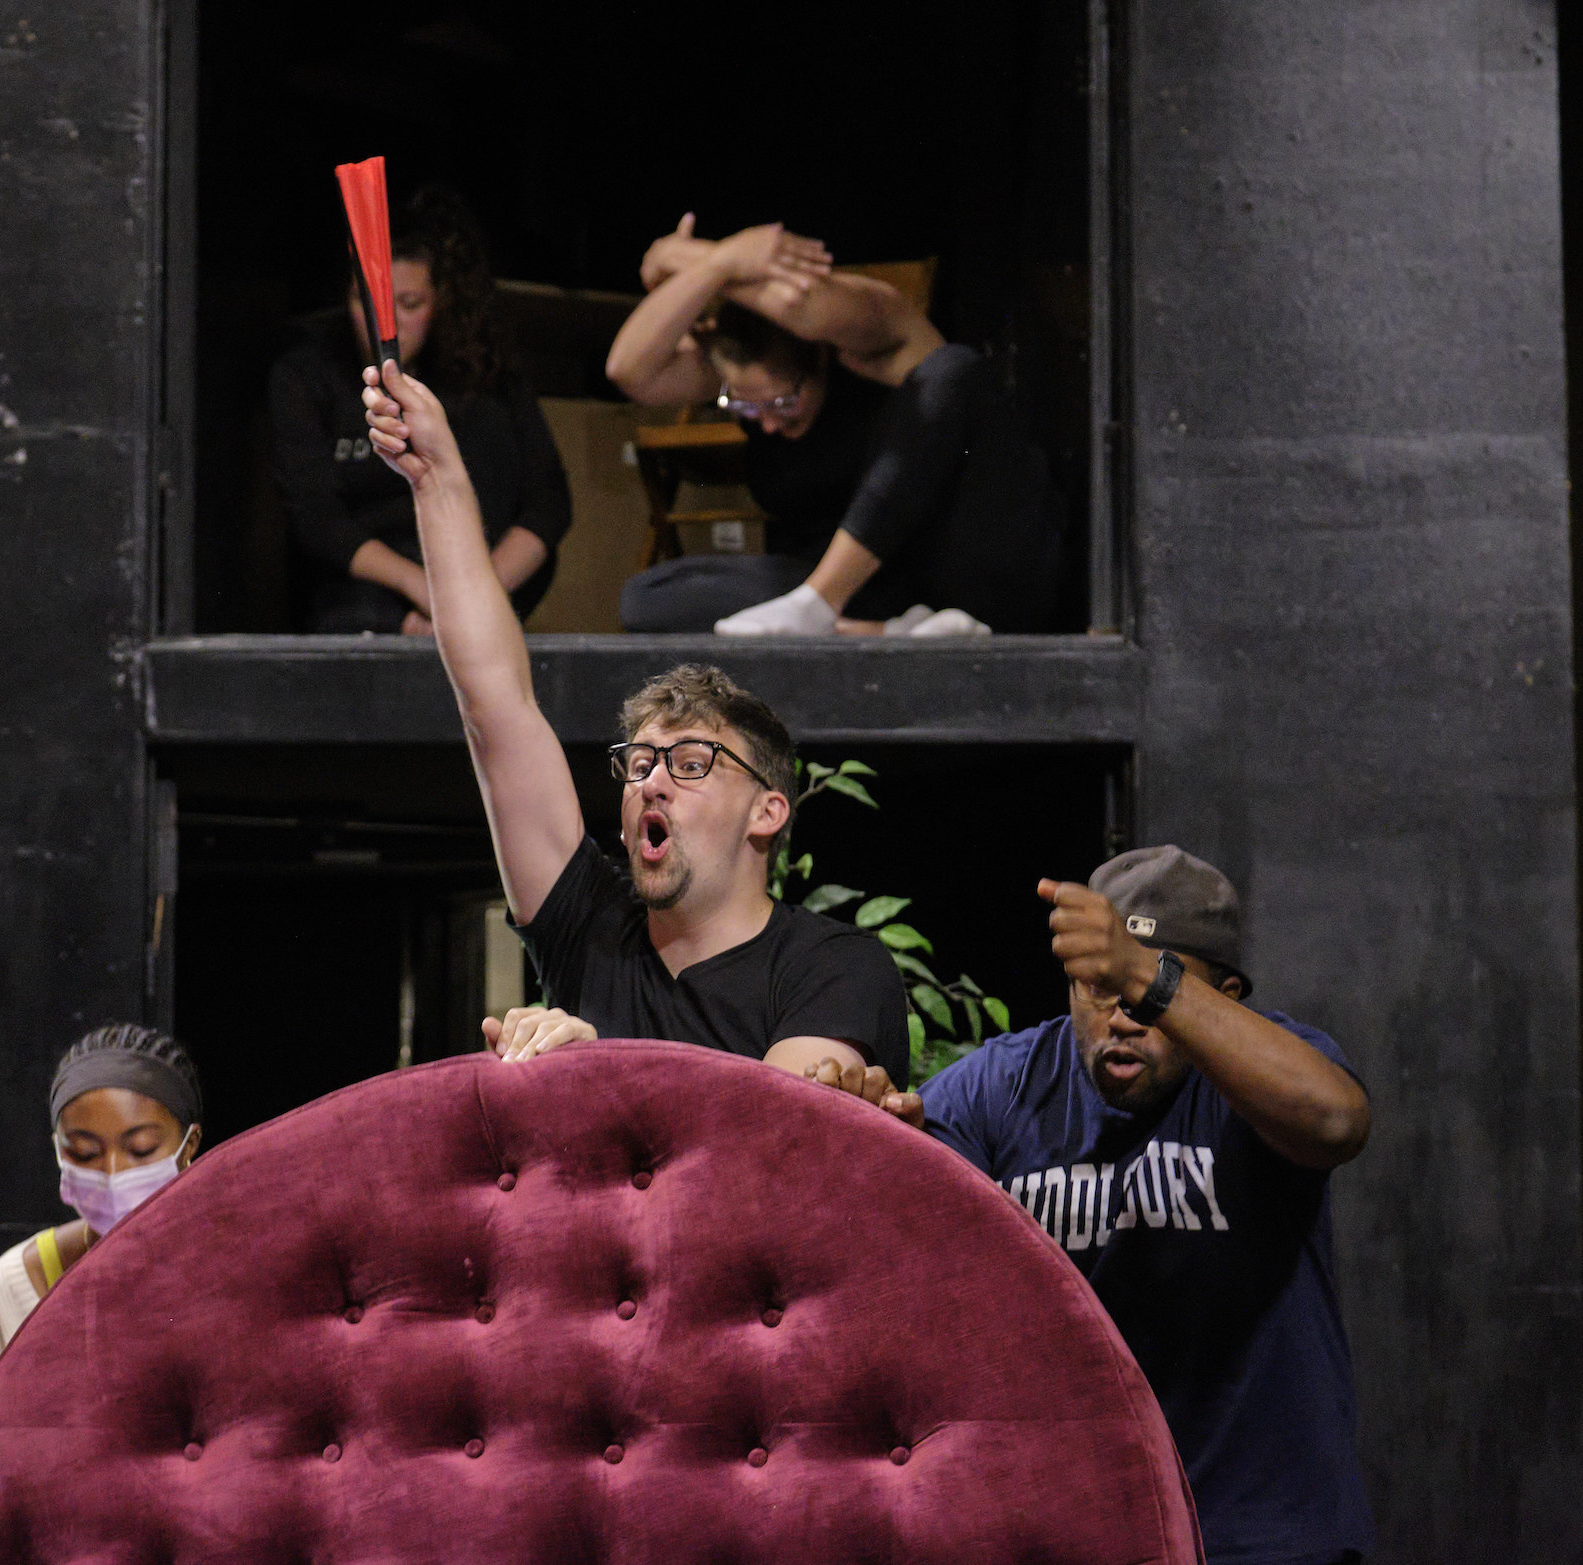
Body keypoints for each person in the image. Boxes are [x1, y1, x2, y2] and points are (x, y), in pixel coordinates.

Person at [358, 355, 914, 1094]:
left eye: (689, 762)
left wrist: (600, 1062)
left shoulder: (831, 964)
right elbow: (494, 705)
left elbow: (773, 1141)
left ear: (766, 810)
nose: (651, 781)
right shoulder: (589, 927)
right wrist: (438, 479)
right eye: (640, 761)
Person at [916, 847, 1375, 1565]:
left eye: (1156, 994)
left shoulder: (1264, 1070)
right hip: (1078, 1528)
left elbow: (1336, 1123)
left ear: (1220, 993)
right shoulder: (1004, 1086)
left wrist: (1140, 972)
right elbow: (891, 1203)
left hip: (1259, 1535)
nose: (1124, 1018)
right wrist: (851, 1115)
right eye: (1099, 989)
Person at [603, 214, 1066, 636]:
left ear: (818, 357)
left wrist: (677, 256)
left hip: (949, 564)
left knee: (954, 369)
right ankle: (876, 632)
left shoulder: (879, 334)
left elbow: (802, 301)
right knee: (648, 597)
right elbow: (629, 371)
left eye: (784, 403)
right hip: (868, 597)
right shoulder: (741, 375)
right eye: (742, 407)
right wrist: (719, 265)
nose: (765, 424)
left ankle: (822, 606)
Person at [270, 188, 570, 634]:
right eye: (364, 302)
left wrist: (473, 597)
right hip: (371, 602)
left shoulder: (485, 371)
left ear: (441, 300)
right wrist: (426, 597)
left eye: (409, 305)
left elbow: (547, 505)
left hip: (484, 588)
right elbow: (316, 519)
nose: (384, 323)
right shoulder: (309, 373)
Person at [0, 1024, 204, 1418]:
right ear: (58, 1151)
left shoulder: (238, 1272)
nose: (113, 1173)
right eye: (86, 1153)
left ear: (188, 1145)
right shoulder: (14, 1287)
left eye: (141, 1150)